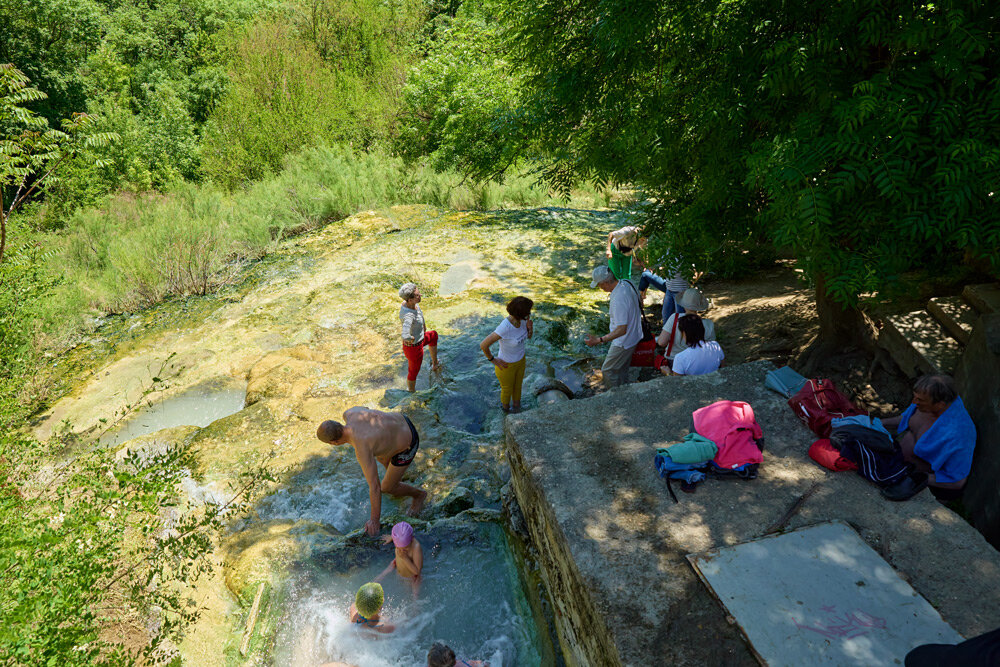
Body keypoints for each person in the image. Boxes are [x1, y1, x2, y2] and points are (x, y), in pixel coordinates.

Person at [317, 408, 427, 536]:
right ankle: (398, 480)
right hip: (402, 420)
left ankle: (419, 495)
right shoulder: (350, 413)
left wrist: (374, 520)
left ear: (334, 443)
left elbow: (375, 487)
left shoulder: (361, 448)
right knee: (378, 452)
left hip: (410, 442)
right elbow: (372, 419)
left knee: (386, 487)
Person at [879, 374, 977, 501]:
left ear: (940, 404)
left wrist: (918, 477)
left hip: (924, 484)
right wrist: (878, 423)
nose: (914, 402)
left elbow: (957, 481)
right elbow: (906, 419)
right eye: (915, 397)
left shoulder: (958, 435)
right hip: (900, 463)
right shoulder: (925, 403)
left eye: (919, 400)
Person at [584, 265, 643, 389]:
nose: (600, 288)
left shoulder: (618, 299)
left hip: (623, 342)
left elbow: (622, 329)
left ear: (605, 283)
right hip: (635, 335)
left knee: (608, 370)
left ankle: (615, 396)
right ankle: (624, 389)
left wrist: (599, 340)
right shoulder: (627, 283)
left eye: (599, 285)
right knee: (621, 368)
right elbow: (640, 302)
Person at [479, 296, 534, 413]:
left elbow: (528, 337)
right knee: (507, 390)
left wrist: (530, 329)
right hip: (506, 365)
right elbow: (483, 345)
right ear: (520, 313)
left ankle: (517, 411)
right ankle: (505, 413)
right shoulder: (505, 327)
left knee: (518, 386)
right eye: (528, 312)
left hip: (521, 361)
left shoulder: (524, 321)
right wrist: (493, 360)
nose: (529, 313)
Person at [656, 288, 715, 367]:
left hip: (674, 359)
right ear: (700, 306)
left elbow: (661, 342)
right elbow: (711, 349)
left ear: (683, 304)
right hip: (698, 362)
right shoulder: (709, 324)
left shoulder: (674, 318)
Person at [399, 282, 441, 392]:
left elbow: (420, 314)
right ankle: (411, 392)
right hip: (414, 348)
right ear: (410, 299)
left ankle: (435, 364)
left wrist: (424, 326)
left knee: (433, 335)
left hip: (421, 339)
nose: (420, 295)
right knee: (413, 372)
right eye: (417, 295)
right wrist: (407, 337)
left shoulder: (412, 304)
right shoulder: (409, 315)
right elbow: (405, 330)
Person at [376, 521, 423, 597]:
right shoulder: (399, 541)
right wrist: (392, 538)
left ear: (412, 539)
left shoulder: (416, 547)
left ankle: (415, 604)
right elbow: (399, 537)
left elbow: (417, 571)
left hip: (410, 579)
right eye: (398, 548)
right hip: (399, 572)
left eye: (405, 549)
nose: (401, 551)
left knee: (411, 595)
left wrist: (405, 558)